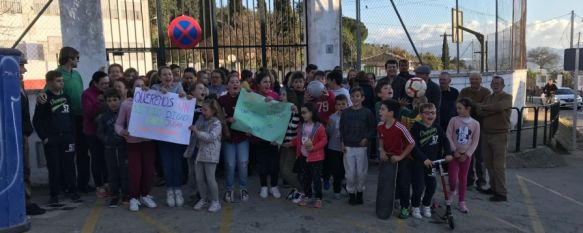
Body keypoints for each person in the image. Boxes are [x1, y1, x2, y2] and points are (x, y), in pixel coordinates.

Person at [37, 47, 92, 193]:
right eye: (77, 58)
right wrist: (40, 95)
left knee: (82, 153)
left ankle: (83, 184)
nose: (78, 61)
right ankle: (65, 186)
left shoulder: (77, 74)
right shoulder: (58, 74)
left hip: (80, 118)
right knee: (65, 158)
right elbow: (46, 91)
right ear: (69, 58)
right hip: (65, 120)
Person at [33, 70, 82, 205]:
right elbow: (37, 121)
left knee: (70, 166)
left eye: (62, 81)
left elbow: (71, 118)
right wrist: (44, 137)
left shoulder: (67, 97)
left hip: (67, 138)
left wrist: (73, 135)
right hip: (52, 139)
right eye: (58, 81)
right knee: (54, 167)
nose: (61, 83)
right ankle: (54, 194)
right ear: (49, 83)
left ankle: (72, 191)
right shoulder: (44, 98)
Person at [115, 78, 157, 212]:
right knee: (135, 171)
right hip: (133, 143)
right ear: (132, 89)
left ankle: (144, 195)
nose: (140, 87)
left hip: (148, 142)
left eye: (143, 85)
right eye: (137, 86)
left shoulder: (153, 102)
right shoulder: (126, 104)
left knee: (148, 171)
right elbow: (118, 124)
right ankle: (133, 197)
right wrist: (122, 131)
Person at [150, 66, 188, 207]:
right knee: (166, 163)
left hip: (177, 134)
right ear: (159, 77)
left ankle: (177, 189)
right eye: (165, 74)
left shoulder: (178, 86)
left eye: (170, 74)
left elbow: (184, 101)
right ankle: (169, 190)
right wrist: (158, 94)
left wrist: (185, 97)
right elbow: (149, 100)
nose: (168, 76)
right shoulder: (154, 88)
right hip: (162, 134)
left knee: (177, 162)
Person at [410, 103, 452, 219]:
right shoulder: (416, 127)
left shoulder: (437, 127)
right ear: (421, 115)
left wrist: (448, 153)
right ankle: (415, 206)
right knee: (418, 186)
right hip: (419, 163)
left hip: (433, 163)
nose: (430, 115)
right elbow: (414, 147)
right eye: (427, 113)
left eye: (433, 113)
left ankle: (426, 204)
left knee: (432, 185)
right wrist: (424, 158)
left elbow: (445, 140)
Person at [377, 99, 415, 219]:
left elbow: (412, 143)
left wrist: (400, 157)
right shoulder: (380, 125)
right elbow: (381, 138)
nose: (379, 111)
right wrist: (382, 150)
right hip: (388, 158)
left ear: (391, 113)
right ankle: (391, 201)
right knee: (387, 182)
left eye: (383, 109)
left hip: (403, 159)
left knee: (403, 183)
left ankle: (405, 207)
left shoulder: (400, 127)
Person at [285, 102, 328, 208]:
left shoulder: (319, 127)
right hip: (304, 157)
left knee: (316, 179)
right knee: (306, 178)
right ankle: (307, 196)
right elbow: (298, 139)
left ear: (311, 113)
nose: (302, 115)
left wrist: (314, 147)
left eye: (304, 113)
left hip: (316, 158)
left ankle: (318, 198)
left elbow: (324, 140)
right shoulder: (301, 126)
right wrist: (290, 143)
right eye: (302, 113)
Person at [476, 76, 512, 202]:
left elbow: (500, 107)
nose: (495, 85)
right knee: (488, 164)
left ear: (502, 85)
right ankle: (493, 187)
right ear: (491, 85)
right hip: (486, 134)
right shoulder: (488, 98)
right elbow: (479, 113)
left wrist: (485, 108)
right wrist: (494, 110)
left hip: (500, 135)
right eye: (493, 83)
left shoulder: (507, 97)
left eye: (498, 83)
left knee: (498, 165)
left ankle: (501, 193)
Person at [19, 53, 46, 215]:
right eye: (21, 65)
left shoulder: (19, 85)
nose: (24, 69)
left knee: (25, 168)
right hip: (15, 136)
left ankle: (26, 200)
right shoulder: (7, 86)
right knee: (21, 169)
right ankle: (24, 202)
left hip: (23, 135)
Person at [187, 99, 226, 213]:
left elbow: (211, 137)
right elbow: (194, 130)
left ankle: (215, 201)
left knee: (210, 178)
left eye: (205, 110)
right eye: (202, 109)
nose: (202, 112)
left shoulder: (217, 123)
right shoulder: (200, 119)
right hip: (199, 153)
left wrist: (197, 132)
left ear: (213, 111)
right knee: (199, 178)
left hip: (210, 155)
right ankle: (203, 199)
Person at [340, 87, 375, 205]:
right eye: (353, 96)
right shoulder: (346, 112)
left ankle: (360, 192)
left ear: (363, 98)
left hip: (361, 147)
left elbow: (372, 129)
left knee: (361, 172)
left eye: (357, 96)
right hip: (348, 146)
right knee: (350, 173)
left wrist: (366, 138)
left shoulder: (367, 112)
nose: (355, 98)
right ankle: (351, 193)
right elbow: (342, 128)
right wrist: (342, 142)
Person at [218, 76, 251, 203]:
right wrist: (227, 120)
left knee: (243, 163)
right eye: (232, 82)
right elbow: (216, 118)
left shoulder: (246, 98)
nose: (235, 84)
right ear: (227, 85)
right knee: (230, 164)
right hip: (228, 137)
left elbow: (255, 113)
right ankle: (229, 188)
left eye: (237, 82)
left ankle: (243, 188)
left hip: (243, 137)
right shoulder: (221, 100)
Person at [446, 98, 481, 213]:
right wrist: (454, 150)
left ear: (468, 109)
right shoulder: (453, 120)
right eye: (457, 108)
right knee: (452, 177)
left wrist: (467, 154)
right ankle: (452, 190)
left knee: (463, 178)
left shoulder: (475, 124)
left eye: (460, 108)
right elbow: (448, 135)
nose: (458, 110)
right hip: (454, 154)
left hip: (466, 156)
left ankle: (461, 201)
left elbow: (475, 141)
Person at [252, 72, 282, 198]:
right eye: (264, 81)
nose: (267, 84)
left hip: (272, 136)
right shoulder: (253, 97)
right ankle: (264, 186)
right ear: (258, 84)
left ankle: (274, 186)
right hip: (258, 137)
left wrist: (274, 102)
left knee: (274, 163)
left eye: (269, 82)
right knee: (263, 164)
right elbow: (249, 114)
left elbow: (281, 114)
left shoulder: (275, 95)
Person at [458, 72, 491, 189]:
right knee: (467, 154)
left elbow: (485, 108)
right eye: (472, 79)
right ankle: (469, 179)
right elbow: (459, 105)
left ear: (481, 80)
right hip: (465, 127)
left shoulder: (486, 92)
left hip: (481, 127)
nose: (474, 81)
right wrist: (477, 106)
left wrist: (471, 105)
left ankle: (481, 181)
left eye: (477, 79)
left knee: (480, 156)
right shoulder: (464, 91)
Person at [96, 88, 127, 207]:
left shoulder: (124, 114)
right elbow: (99, 132)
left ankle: (126, 194)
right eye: (109, 100)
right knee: (112, 173)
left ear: (120, 100)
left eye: (115, 100)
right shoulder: (103, 116)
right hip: (110, 149)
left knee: (125, 173)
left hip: (123, 148)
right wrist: (107, 140)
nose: (113, 103)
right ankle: (114, 196)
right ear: (106, 102)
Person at [82, 71, 110, 198]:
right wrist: (99, 102)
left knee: (106, 158)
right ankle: (99, 186)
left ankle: (107, 183)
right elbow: (89, 114)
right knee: (97, 159)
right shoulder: (87, 94)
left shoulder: (108, 91)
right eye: (103, 83)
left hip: (106, 131)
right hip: (92, 132)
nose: (106, 86)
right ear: (95, 83)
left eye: (107, 83)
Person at [279, 89, 304, 203]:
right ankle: (296, 189)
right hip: (284, 145)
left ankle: (302, 190)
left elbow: (294, 127)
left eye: (284, 94)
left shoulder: (295, 111)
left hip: (291, 146)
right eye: (281, 94)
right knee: (283, 170)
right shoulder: (282, 109)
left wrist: (295, 112)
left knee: (286, 171)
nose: (281, 96)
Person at [325, 95, 349, 199]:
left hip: (346, 148)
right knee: (336, 170)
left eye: (343, 104)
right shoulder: (332, 117)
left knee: (344, 170)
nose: (341, 106)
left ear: (347, 105)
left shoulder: (350, 116)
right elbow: (328, 133)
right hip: (333, 148)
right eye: (339, 104)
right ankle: (336, 190)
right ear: (335, 106)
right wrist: (329, 126)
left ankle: (345, 184)